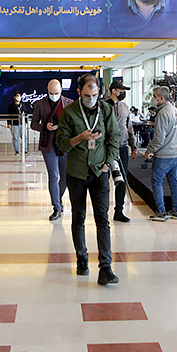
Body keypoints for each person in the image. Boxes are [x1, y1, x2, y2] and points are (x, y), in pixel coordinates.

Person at [56, 74, 120, 285]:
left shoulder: (106, 109)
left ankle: (106, 268)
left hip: (99, 172)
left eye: (94, 95)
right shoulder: (69, 112)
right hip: (76, 173)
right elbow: (62, 144)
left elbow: (114, 138)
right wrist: (80, 138)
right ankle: (82, 258)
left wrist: (107, 163)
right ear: (79, 93)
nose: (90, 99)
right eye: (86, 95)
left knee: (103, 218)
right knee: (78, 217)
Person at [31, 79, 73, 221]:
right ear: (47, 91)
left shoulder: (69, 103)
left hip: (65, 144)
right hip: (48, 145)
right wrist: (45, 127)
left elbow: (74, 125)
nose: (53, 95)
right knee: (53, 176)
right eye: (51, 93)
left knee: (65, 177)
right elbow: (33, 124)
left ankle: (58, 197)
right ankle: (56, 207)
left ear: (61, 90)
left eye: (56, 93)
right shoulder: (40, 104)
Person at [144, 85, 177, 221]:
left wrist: (149, 150)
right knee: (174, 182)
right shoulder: (176, 111)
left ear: (161, 98)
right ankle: (175, 210)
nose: (153, 99)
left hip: (164, 156)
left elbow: (159, 138)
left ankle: (161, 212)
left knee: (157, 182)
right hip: (176, 154)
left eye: (154, 96)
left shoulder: (162, 113)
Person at [105, 79, 137, 223]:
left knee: (122, 180)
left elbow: (129, 127)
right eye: (121, 90)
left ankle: (119, 211)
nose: (123, 93)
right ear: (114, 90)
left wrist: (133, 146)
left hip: (123, 147)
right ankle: (103, 210)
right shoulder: (104, 105)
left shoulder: (125, 107)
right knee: (104, 180)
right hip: (107, 148)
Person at [7, 90, 26, 155]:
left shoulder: (23, 104)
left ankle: (25, 150)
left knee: (24, 137)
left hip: (22, 124)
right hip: (14, 124)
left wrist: (25, 121)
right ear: (14, 97)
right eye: (17, 96)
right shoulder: (11, 105)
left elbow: (25, 113)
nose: (19, 97)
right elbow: (8, 115)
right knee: (15, 137)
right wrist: (9, 123)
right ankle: (17, 151)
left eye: (20, 96)